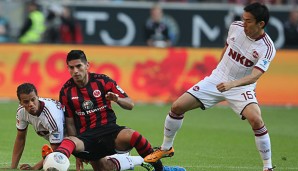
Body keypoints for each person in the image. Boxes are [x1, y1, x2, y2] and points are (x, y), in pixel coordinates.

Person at [144, 2, 276, 171]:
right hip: (218, 79)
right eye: (243, 19)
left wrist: (232, 84)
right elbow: (227, 47)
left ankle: (268, 167)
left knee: (256, 120)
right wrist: (218, 71)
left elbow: (256, 75)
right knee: (177, 106)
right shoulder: (235, 27)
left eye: (248, 21)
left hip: (241, 86)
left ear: (261, 24)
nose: (244, 23)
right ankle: (166, 148)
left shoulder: (267, 48)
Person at [42, 50, 186, 171]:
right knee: (77, 147)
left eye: (78, 66)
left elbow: (130, 104)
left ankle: (160, 169)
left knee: (133, 135)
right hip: (86, 138)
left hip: (111, 132)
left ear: (87, 65)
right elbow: (70, 123)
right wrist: (77, 154)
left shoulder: (103, 81)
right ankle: (56, 163)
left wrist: (117, 99)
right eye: (71, 68)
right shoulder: (66, 91)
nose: (75, 71)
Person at [10, 83, 158, 171]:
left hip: (82, 134)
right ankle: (137, 159)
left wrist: (35, 168)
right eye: (25, 102)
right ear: (20, 102)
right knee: (103, 168)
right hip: (70, 141)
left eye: (33, 100)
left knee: (104, 166)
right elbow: (20, 138)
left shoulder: (51, 116)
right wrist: (13, 167)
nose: (30, 104)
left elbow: (57, 151)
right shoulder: (21, 112)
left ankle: (141, 159)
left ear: (38, 96)